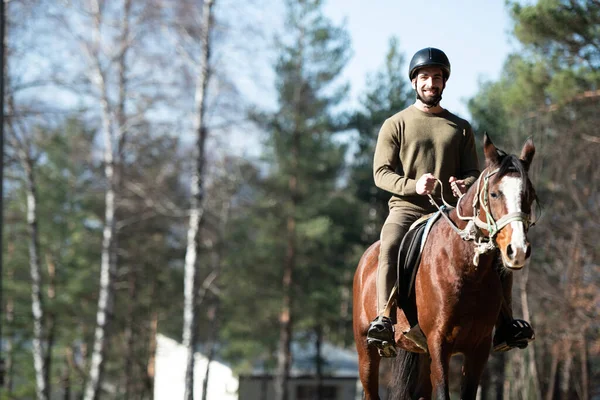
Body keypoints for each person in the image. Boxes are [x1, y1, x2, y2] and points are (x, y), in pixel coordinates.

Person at [366, 47, 535, 356]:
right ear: (414, 82)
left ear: (444, 83)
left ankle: (506, 323)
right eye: (425, 77)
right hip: (408, 209)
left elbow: (474, 172)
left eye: (437, 77)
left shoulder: (460, 127)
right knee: (389, 244)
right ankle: (384, 319)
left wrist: (464, 184)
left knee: (497, 250)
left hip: (451, 213)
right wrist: (413, 185)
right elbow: (380, 173)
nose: (431, 83)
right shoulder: (396, 124)